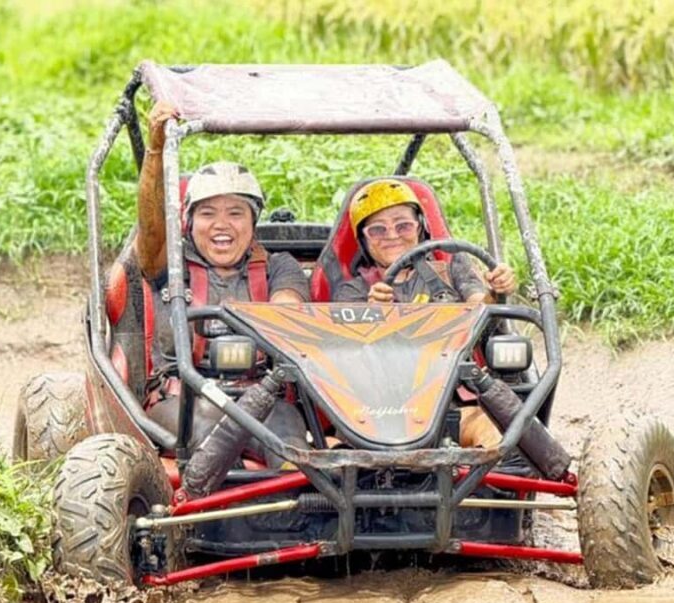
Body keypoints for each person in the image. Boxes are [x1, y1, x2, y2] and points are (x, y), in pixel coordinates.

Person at [137, 102, 310, 499]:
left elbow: (290, 312)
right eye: (208, 213)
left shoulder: (279, 265)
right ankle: (210, 516)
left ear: (253, 225)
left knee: (290, 445)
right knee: (210, 431)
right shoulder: (171, 262)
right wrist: (156, 149)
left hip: (266, 394)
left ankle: (300, 514)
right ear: (188, 222)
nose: (222, 225)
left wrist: (279, 320)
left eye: (236, 213)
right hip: (184, 400)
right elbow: (149, 231)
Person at [334, 178, 517, 450]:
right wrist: (370, 317)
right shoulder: (352, 292)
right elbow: (340, 357)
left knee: (497, 434)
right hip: (373, 414)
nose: (393, 235)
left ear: (420, 227)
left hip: (452, 403)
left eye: (403, 225)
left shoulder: (451, 269)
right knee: (323, 448)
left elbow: (480, 306)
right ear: (363, 240)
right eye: (378, 230)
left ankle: (499, 482)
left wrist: (496, 291)